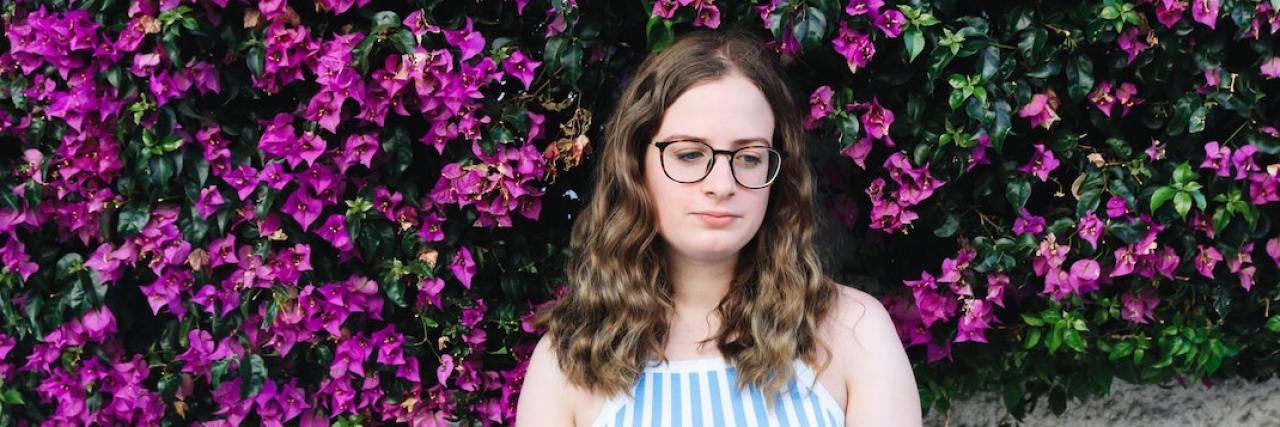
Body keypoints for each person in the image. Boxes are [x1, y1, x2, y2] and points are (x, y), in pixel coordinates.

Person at [515, 28, 920, 427]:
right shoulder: (567, 360)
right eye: (690, 154)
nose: (722, 185)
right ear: (635, 167)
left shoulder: (853, 331)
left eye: (748, 157)